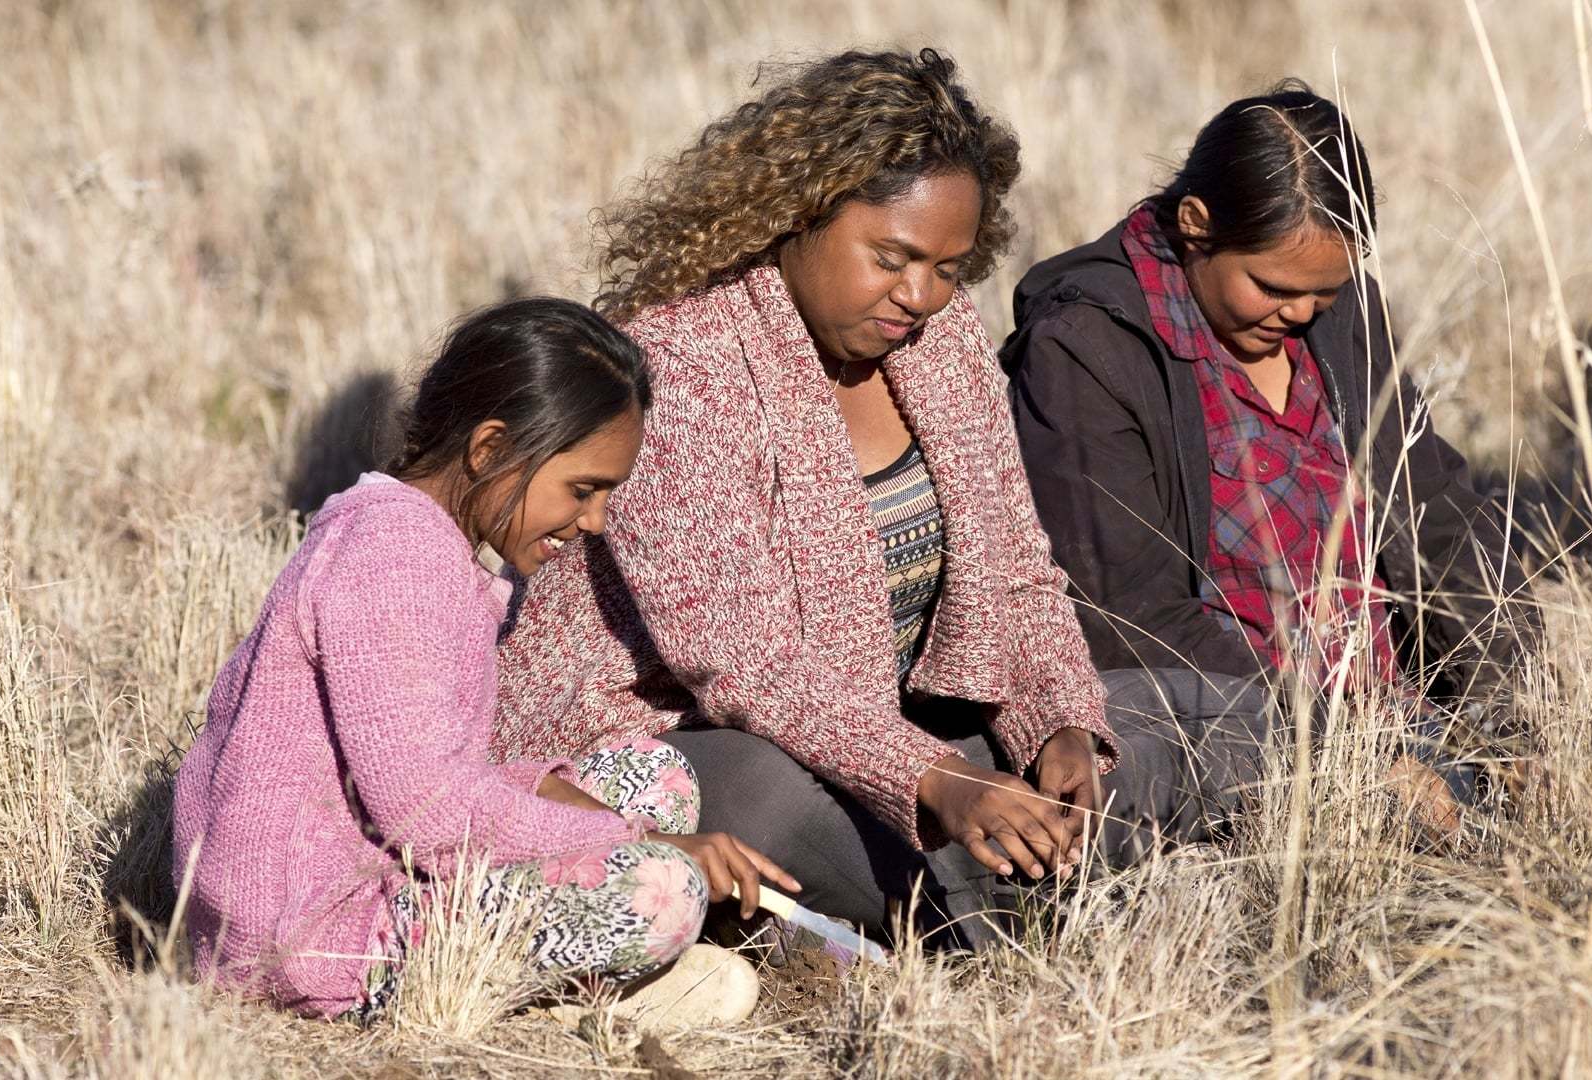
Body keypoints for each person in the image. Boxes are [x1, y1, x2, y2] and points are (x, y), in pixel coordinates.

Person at [491, 49, 1279, 948]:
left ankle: (1002, 874)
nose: (919, 294)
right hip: (680, 750)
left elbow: (1021, 577)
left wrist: (1062, 728)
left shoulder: (938, 345)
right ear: (799, 216)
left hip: (891, 731)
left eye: (948, 267)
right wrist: (936, 779)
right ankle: (1017, 898)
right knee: (765, 805)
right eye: (892, 258)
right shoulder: (681, 364)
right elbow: (747, 663)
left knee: (1187, 716)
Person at [171, 297, 798, 1024]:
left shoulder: (430, 544)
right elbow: (428, 812)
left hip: (376, 867)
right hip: (310, 934)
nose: (593, 521)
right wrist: (637, 844)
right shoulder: (394, 556)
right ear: (490, 448)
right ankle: (582, 992)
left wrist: (586, 811)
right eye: (582, 489)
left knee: (649, 773)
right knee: (661, 887)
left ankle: (594, 975)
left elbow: (430, 779)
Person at [1002, 81, 1536, 804]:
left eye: (1325, 290)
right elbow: (1130, 617)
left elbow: (1434, 506)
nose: (1301, 312)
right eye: (1273, 286)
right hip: (1221, 739)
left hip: (1399, 716)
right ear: (1196, 224)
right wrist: (1341, 752)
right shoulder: (1088, 347)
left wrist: (1510, 715)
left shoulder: (1343, 313)